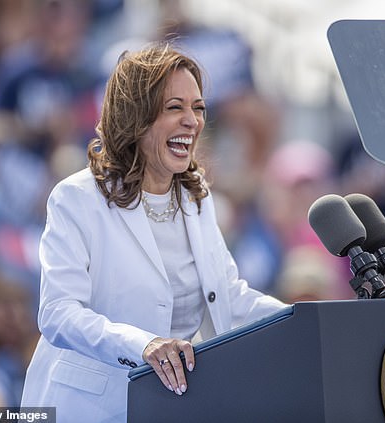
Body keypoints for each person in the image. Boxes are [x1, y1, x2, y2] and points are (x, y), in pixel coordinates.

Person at [20, 42, 287, 422]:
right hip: (87, 410)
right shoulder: (76, 198)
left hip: (169, 409)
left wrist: (303, 321)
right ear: (135, 117)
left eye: (198, 108)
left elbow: (229, 297)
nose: (192, 122)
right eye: (174, 107)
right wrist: (144, 345)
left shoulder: (198, 199)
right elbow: (58, 314)